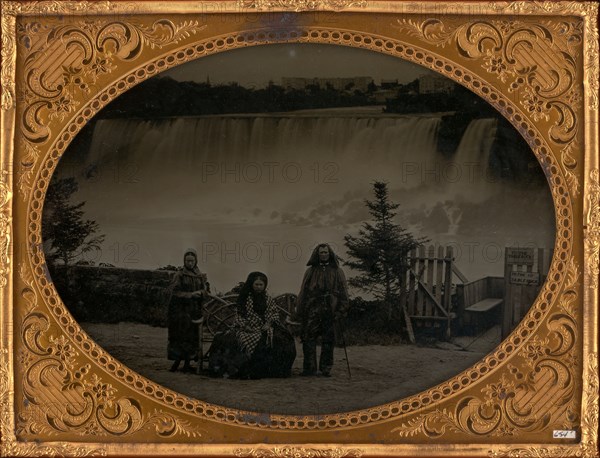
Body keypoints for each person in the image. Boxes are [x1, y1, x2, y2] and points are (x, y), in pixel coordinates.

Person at [208, 271, 296, 379]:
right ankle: (242, 370)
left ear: (265, 286)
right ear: (251, 284)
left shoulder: (267, 299)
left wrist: (268, 324)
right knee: (231, 339)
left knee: (282, 339)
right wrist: (245, 326)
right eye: (256, 284)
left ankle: (271, 371)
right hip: (246, 326)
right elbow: (239, 315)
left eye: (261, 285)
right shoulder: (244, 298)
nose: (259, 287)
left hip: (264, 326)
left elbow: (273, 313)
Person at [296, 243, 349, 377]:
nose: (324, 255)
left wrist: (341, 310)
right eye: (321, 253)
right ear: (317, 254)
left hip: (330, 309)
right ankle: (309, 369)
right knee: (308, 338)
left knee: (328, 339)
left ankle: (325, 369)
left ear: (330, 254)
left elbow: (344, 292)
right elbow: (303, 291)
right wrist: (300, 310)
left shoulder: (337, 271)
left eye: (326, 252)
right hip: (313, 308)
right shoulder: (310, 271)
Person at [167, 248, 209, 373]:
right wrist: (190, 295)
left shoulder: (199, 275)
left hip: (195, 311)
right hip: (181, 312)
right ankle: (177, 362)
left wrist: (200, 293)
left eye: (192, 260)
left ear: (196, 261)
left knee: (193, 337)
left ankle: (187, 362)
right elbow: (174, 292)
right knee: (181, 337)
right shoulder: (179, 275)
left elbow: (206, 290)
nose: (190, 263)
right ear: (184, 261)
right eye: (187, 260)